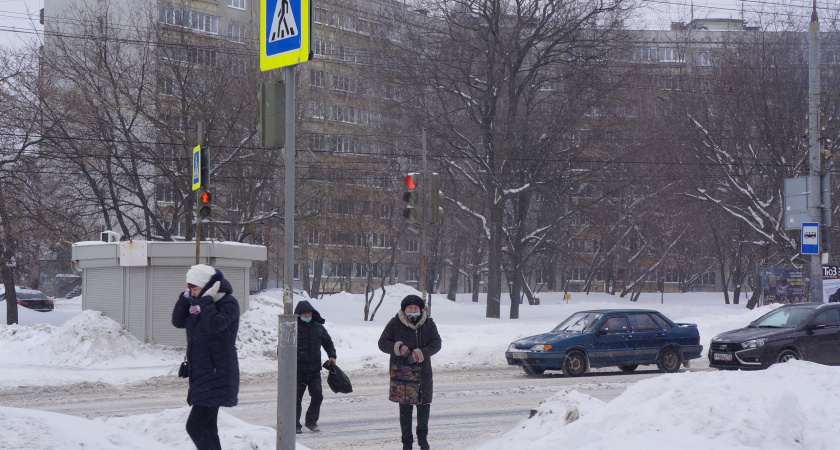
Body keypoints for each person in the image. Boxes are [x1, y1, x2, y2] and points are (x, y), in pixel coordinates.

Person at [172, 264, 240, 450]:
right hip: (202, 372)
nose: (193, 293)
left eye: (195, 289)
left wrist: (206, 300)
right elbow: (177, 321)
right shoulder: (198, 306)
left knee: (195, 426)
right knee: (207, 427)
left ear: (209, 286)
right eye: (190, 290)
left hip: (218, 372)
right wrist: (185, 299)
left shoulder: (228, 303)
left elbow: (214, 325)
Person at [378, 295, 442, 450]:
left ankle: (423, 440)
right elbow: (382, 343)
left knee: (424, 405)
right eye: (410, 308)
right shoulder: (395, 323)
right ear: (404, 309)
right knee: (405, 409)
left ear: (420, 310)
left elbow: (437, 343)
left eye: (416, 308)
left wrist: (421, 353)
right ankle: (407, 442)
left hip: (423, 372)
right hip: (402, 374)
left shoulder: (428, 323)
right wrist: (398, 348)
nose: (413, 310)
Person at [294, 300, 337, 434]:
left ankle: (311, 421)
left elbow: (328, 342)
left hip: (314, 370)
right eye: (304, 313)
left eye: (309, 313)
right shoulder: (293, 328)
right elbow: (283, 346)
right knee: (295, 399)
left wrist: (332, 355)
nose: (307, 315)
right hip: (297, 371)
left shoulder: (318, 327)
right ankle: (294, 425)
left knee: (317, 396)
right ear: (298, 314)